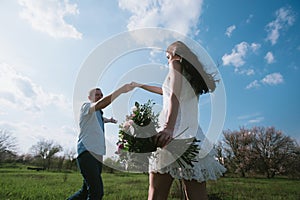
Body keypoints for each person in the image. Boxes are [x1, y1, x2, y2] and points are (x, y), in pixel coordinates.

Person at [132, 41, 226, 200]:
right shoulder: (192, 76)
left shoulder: (175, 63)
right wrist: (140, 85)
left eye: (167, 56)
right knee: (197, 197)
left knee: (156, 195)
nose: (167, 59)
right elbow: (166, 91)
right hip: (193, 136)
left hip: (171, 134)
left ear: (176, 54)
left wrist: (168, 127)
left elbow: (173, 96)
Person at [67, 84, 134, 200]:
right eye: (96, 95)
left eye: (101, 95)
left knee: (85, 192)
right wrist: (120, 91)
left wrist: (110, 120)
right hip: (87, 153)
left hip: (97, 154)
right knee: (96, 192)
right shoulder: (86, 107)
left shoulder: (98, 113)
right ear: (89, 97)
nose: (100, 97)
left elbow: (102, 118)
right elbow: (100, 105)